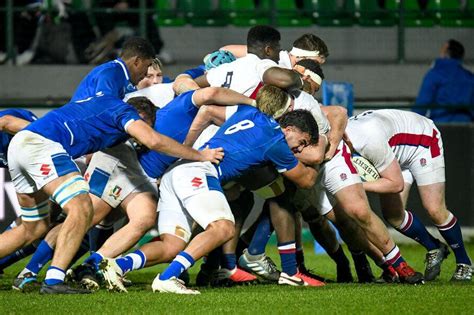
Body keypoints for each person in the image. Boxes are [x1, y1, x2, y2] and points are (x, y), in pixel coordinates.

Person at [1, 93, 223, 294]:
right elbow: (153, 139)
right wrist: (199, 155)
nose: (150, 77)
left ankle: (87, 265)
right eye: (147, 70)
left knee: (34, 228)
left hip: (28, 147)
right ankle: (49, 278)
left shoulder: (104, 107)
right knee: (82, 208)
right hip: (46, 148)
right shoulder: (124, 109)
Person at [100, 108, 320, 294]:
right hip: (199, 171)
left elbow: (210, 110)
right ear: (289, 129)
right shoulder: (276, 141)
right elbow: (307, 180)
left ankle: (114, 266)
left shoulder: (250, 111)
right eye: (302, 143)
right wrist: (323, 151)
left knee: (171, 246)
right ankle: (168, 278)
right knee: (224, 228)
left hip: (177, 169)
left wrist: (189, 142)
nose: (298, 150)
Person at [345, 109, 472, 281]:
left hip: (422, 141)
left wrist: (355, 185)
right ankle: (435, 247)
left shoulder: (368, 141)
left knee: (435, 209)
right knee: (393, 215)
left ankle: (464, 263)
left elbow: (395, 184)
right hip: (394, 150)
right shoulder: (341, 138)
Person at [71, 36, 155, 101]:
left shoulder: (125, 80)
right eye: (147, 65)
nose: (146, 73)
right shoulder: (110, 74)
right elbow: (107, 108)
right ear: (137, 61)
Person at [414, 39, 474, 123]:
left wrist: (413, 123)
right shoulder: (469, 77)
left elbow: (422, 104)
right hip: (466, 126)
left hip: (441, 124)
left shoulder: (435, 74)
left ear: (445, 53)